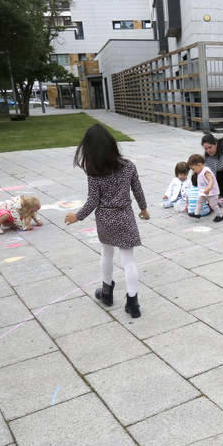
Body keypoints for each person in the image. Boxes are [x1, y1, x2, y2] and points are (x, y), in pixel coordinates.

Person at [64, 124, 149, 318]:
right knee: (128, 260)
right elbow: (137, 189)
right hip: (125, 216)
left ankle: (107, 292)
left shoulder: (94, 172)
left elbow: (93, 200)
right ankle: (133, 303)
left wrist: (77, 216)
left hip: (105, 218)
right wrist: (143, 209)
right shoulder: (129, 166)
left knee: (107, 253)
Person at [187, 154, 223, 222]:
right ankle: (197, 214)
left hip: (212, 192)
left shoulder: (206, 171)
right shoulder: (200, 171)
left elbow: (211, 180)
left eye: (193, 169)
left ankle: (219, 215)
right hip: (204, 192)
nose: (193, 171)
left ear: (199, 165)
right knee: (199, 201)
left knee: (213, 205)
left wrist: (209, 188)